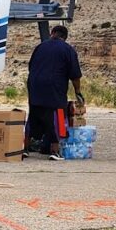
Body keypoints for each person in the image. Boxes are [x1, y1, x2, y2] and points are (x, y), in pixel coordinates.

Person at [26, 25, 84, 161]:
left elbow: (30, 66)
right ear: (65, 37)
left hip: (34, 86)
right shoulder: (68, 50)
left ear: (52, 33)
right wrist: (78, 92)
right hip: (54, 87)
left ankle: (24, 149)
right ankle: (55, 151)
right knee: (58, 117)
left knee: (34, 115)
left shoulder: (40, 47)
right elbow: (75, 75)